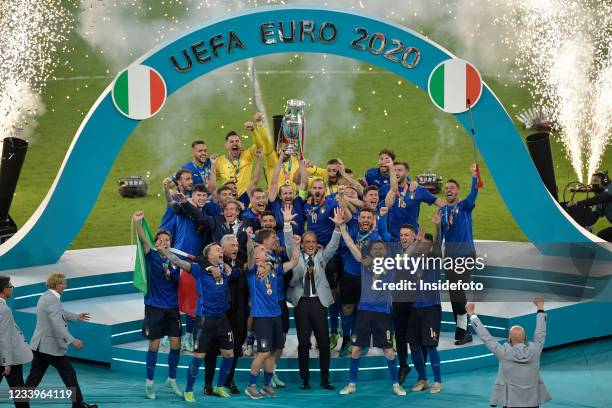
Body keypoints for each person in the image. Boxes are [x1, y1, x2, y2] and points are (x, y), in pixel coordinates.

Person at [159, 242, 238, 402]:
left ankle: (220, 387)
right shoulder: (198, 270)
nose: (221, 251)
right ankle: (188, 390)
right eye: (217, 250)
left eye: (221, 249)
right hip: (205, 320)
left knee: (229, 355)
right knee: (199, 356)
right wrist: (165, 252)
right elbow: (180, 262)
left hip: (222, 319)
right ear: (209, 256)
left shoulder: (225, 268)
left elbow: (236, 268)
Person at [283, 205, 344, 390]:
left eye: (313, 242)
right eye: (306, 241)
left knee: (324, 343)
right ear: (302, 243)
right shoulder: (295, 255)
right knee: (303, 343)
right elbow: (287, 243)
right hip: (301, 302)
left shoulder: (321, 257)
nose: (310, 244)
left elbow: (333, 246)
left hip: (319, 302)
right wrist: (287, 224)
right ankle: (305, 379)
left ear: (316, 243)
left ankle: (325, 379)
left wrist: (337, 228)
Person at [337, 237, 405, 396]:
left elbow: (407, 255)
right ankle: (352, 384)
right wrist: (343, 228)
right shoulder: (364, 262)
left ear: (386, 252)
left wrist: (417, 242)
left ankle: (396, 385)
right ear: (371, 252)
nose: (378, 251)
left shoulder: (392, 265)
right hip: (364, 313)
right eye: (375, 249)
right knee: (355, 350)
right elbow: (350, 245)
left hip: (384, 313)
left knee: (389, 350)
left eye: (381, 249)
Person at [24, 273, 97, 408]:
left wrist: (75, 317)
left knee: (34, 377)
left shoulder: (47, 296)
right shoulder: (53, 300)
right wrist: (72, 340)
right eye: (63, 283)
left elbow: (59, 312)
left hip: (40, 345)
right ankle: (78, 404)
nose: (66, 286)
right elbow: (57, 323)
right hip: (50, 347)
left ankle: (21, 402)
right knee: (68, 373)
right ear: (57, 285)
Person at [244, 230, 300, 399]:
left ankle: (267, 384)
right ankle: (251, 385)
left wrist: (297, 244)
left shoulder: (275, 268)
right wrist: (249, 239)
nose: (264, 251)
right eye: (261, 250)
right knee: (262, 352)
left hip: (275, 315)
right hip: (261, 317)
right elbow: (249, 252)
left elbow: (295, 261)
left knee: (276, 349)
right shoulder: (252, 270)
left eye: (265, 249)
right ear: (255, 255)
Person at [467, 297, 551, 408]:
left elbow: (486, 337)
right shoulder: (535, 350)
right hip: (533, 402)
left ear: (509, 339)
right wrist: (540, 306)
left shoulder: (503, 353)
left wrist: (472, 314)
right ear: (525, 337)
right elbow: (541, 331)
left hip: (511, 403)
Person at [133, 212, 182, 399]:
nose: (164, 242)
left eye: (167, 239)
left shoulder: (175, 260)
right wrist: (138, 223)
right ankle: (150, 383)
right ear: (156, 243)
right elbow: (143, 240)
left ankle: (171, 379)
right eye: (160, 239)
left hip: (172, 308)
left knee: (175, 344)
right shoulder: (151, 255)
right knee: (154, 345)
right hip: (154, 307)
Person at [439, 164, 479, 345]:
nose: (448, 190)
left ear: (457, 192)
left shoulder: (464, 206)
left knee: (458, 291)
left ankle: (464, 330)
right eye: (446, 188)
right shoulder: (441, 211)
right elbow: (440, 237)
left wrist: (474, 176)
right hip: (450, 258)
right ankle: (462, 329)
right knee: (454, 293)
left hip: (466, 255)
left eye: (452, 188)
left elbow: (474, 194)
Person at [338, 208, 384, 357]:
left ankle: (361, 340)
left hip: (366, 277)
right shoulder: (352, 228)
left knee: (363, 310)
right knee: (346, 308)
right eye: (363, 217)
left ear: (372, 220)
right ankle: (346, 338)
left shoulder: (376, 237)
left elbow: (361, 258)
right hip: (349, 274)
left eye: (368, 217)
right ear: (359, 219)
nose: (365, 220)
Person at [408, 216, 443, 394]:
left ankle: (437, 380)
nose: (423, 246)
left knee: (430, 345)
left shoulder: (434, 259)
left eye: (425, 244)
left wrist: (437, 226)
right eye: (420, 243)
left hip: (430, 308)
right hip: (414, 309)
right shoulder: (412, 259)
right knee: (414, 346)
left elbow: (438, 242)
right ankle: (422, 379)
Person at [384, 161, 446, 241]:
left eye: (399, 170)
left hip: (412, 238)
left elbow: (438, 202)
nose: (396, 173)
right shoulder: (386, 189)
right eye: (394, 170)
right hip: (392, 238)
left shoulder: (418, 189)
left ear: (407, 172)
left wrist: (457, 204)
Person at [0, 276, 33, 408]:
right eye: (10, 286)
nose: (12, 288)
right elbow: (4, 336)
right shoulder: (4, 310)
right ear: (3, 290)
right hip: (8, 359)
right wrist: (7, 362)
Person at [215, 129, 268, 196]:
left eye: (237, 141)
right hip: (228, 202)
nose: (235, 143)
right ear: (226, 145)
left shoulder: (247, 156)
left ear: (240, 144)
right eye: (231, 141)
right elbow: (211, 181)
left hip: (246, 200)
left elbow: (259, 145)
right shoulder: (219, 161)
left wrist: (253, 130)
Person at [567, 171, 611, 241]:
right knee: (602, 236)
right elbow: (597, 213)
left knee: (603, 236)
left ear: (604, 181)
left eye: (596, 180)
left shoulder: (609, 189)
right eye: (592, 181)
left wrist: (579, 203)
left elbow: (602, 198)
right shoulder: (601, 193)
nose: (592, 183)